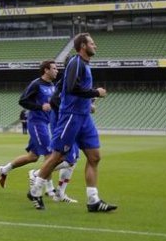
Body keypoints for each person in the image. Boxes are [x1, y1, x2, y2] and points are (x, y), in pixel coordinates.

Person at [28, 33, 116, 212]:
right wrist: (95, 93)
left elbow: (72, 88)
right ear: (83, 46)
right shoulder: (76, 62)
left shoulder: (84, 65)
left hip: (84, 117)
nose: (95, 46)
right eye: (92, 43)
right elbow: (71, 88)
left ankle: (93, 201)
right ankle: (35, 191)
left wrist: (89, 103)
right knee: (58, 156)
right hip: (71, 116)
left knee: (94, 157)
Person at [0, 60, 59, 188]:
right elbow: (23, 101)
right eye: (54, 68)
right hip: (37, 122)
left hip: (45, 122)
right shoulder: (36, 84)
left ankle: (4, 170)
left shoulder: (52, 85)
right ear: (46, 70)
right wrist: (40, 107)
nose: (57, 70)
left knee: (33, 156)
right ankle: (50, 189)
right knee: (49, 155)